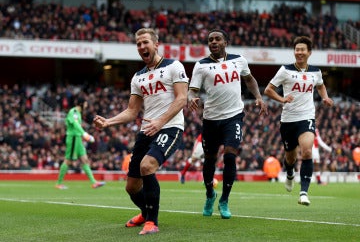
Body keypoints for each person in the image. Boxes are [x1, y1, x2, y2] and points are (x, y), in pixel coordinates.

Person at [93, 28, 188, 235]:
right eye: (138, 44)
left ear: (156, 44)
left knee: (147, 166)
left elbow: (182, 98)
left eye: (145, 42)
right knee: (132, 187)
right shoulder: (138, 77)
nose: (142, 47)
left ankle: (152, 223)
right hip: (147, 130)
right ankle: (145, 213)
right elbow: (132, 110)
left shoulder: (174, 66)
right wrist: (108, 122)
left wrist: (160, 121)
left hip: (170, 127)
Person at [188, 29, 267, 219]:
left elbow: (249, 79)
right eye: (210, 40)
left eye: (217, 39)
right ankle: (210, 194)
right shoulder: (201, 65)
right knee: (209, 161)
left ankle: (224, 200)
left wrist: (258, 97)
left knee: (230, 157)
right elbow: (192, 90)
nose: (213, 42)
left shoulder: (239, 60)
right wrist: (191, 98)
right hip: (211, 119)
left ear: (226, 42)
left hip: (234, 117)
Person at [264, 35, 333, 206]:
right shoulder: (285, 70)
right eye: (297, 50)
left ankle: (303, 192)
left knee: (307, 151)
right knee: (290, 158)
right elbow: (268, 90)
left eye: (302, 49)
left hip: (307, 117)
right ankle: (289, 173)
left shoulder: (315, 72)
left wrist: (325, 97)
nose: (299, 52)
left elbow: (321, 85)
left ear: (309, 52)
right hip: (288, 120)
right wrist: (282, 99)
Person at [55, 98, 106, 190]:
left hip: (77, 138)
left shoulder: (77, 113)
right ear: (81, 104)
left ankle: (94, 182)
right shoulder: (74, 112)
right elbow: (75, 124)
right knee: (68, 161)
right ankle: (58, 183)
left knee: (85, 160)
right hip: (73, 138)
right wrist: (84, 134)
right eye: (85, 103)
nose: (86, 105)